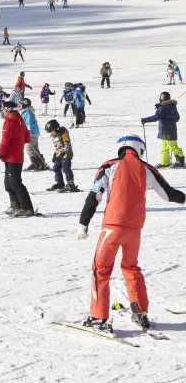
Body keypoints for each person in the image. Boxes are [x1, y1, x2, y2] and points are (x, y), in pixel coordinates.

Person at [77, 134, 185, 332]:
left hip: (112, 227)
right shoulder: (147, 168)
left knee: (100, 269)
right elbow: (168, 194)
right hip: (134, 230)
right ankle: (140, 312)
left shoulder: (109, 166)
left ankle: (98, 317)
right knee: (131, 267)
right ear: (139, 149)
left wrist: (83, 222)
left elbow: (94, 195)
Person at [0, 100, 34, 216]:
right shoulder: (20, 119)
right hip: (16, 156)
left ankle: (27, 208)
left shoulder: (9, 121)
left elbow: (5, 142)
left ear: (8, 109)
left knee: (15, 184)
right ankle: (15, 206)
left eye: (3, 108)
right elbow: (27, 137)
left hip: (12, 157)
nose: (2, 111)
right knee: (8, 184)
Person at [141, 91, 184, 168]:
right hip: (169, 129)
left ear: (161, 99)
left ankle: (180, 161)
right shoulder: (173, 107)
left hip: (166, 130)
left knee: (172, 145)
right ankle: (165, 162)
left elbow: (156, 117)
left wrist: (145, 120)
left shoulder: (163, 107)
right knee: (164, 146)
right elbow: (177, 118)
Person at [44, 120, 77, 191]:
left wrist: (62, 154)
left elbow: (67, 145)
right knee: (56, 168)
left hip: (66, 155)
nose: (51, 133)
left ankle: (71, 184)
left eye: (51, 131)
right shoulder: (55, 136)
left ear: (56, 128)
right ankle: (60, 183)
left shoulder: (63, 134)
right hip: (59, 155)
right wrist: (55, 154)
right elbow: (58, 146)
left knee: (66, 168)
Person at [20, 99, 46, 170]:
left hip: (31, 133)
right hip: (34, 132)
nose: (20, 106)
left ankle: (35, 164)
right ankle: (41, 163)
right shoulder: (28, 112)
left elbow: (29, 123)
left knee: (29, 148)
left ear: (24, 105)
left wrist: (28, 132)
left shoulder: (27, 113)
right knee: (35, 149)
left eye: (21, 104)